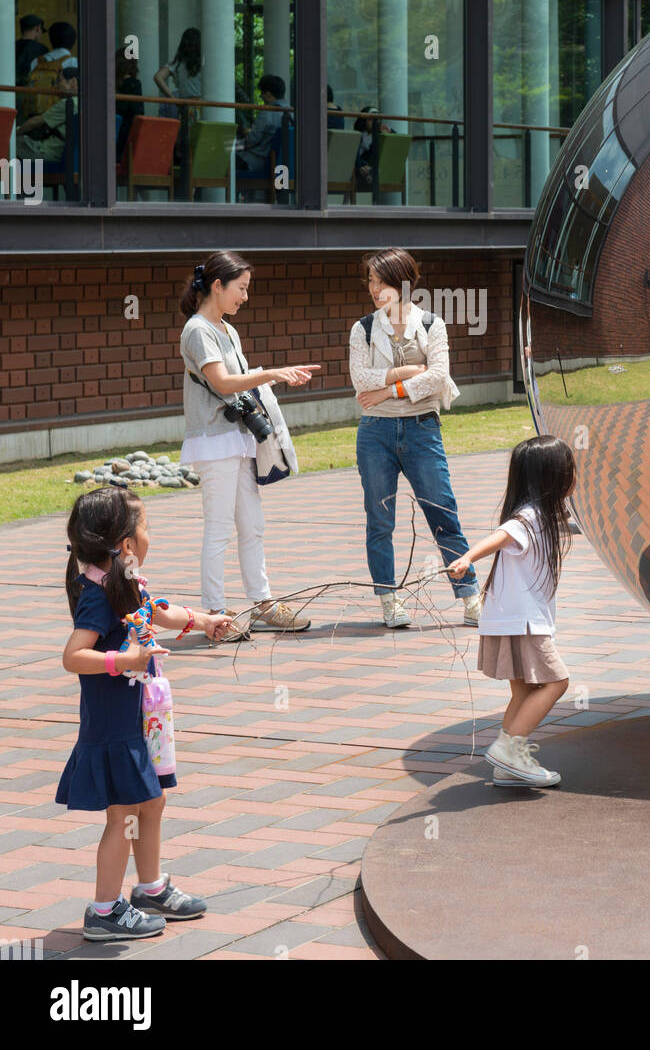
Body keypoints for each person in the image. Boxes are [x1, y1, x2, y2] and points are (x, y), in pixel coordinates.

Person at [56, 486, 232, 941]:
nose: (151, 535)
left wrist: (202, 620)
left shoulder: (122, 581)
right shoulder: (97, 594)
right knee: (123, 815)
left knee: (151, 801)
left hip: (139, 719)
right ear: (127, 543)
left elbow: (155, 611)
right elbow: (74, 656)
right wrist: (126, 660)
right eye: (147, 527)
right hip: (114, 726)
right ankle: (104, 911)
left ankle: (150, 889)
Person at [179, 250, 320, 637]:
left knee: (252, 526)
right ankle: (215, 615)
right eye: (240, 288)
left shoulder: (226, 328)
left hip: (238, 439)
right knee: (219, 528)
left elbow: (236, 384)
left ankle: (263, 604)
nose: (245, 296)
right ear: (217, 286)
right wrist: (273, 373)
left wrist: (271, 375)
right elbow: (223, 382)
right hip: (214, 442)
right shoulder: (198, 330)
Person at [349, 246, 482, 628]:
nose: (375, 289)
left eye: (382, 282)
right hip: (375, 434)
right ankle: (389, 600)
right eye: (371, 281)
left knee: (443, 513)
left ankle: (470, 597)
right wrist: (407, 372)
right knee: (380, 520)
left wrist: (389, 391)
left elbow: (438, 376)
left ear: (403, 283)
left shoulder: (430, 324)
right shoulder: (363, 329)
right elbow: (360, 380)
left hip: (422, 430)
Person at [448, 436, 574, 788]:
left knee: (523, 693)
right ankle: (509, 749)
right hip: (523, 622)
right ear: (554, 476)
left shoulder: (542, 514)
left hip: (510, 620)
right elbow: (503, 535)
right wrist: (468, 558)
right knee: (557, 682)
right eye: (570, 469)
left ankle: (508, 766)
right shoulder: (529, 516)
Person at [15, 64, 77, 162]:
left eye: (59, 81)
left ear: (73, 82)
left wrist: (14, 133)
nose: (56, 86)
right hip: (61, 152)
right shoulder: (83, 103)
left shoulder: (68, 103)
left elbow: (36, 121)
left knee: (11, 144)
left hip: (47, 150)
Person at [236, 74, 294, 176]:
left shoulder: (266, 113)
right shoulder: (292, 113)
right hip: (282, 165)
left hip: (256, 162)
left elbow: (250, 143)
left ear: (268, 94)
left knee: (223, 158)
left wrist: (231, 146)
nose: (262, 97)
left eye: (261, 94)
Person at [27, 21, 78, 117]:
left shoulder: (36, 61)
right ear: (73, 41)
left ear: (51, 39)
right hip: (59, 114)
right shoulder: (74, 62)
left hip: (35, 112)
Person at [154, 28, 202, 119]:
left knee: (185, 128)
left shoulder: (177, 63)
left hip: (184, 105)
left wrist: (174, 100)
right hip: (203, 105)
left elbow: (158, 77)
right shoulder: (203, 63)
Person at [115, 49, 143, 160]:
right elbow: (138, 112)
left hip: (112, 132)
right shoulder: (134, 84)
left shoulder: (111, 83)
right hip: (127, 135)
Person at [353, 106, 390, 188]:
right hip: (356, 167)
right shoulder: (357, 135)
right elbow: (353, 155)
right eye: (371, 119)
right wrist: (360, 167)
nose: (375, 121)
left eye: (378, 119)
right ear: (364, 120)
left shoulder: (378, 135)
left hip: (370, 167)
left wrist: (389, 131)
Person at [15, 13, 46, 81]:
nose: (41, 34)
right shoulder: (42, 49)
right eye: (42, 31)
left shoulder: (11, 47)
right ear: (38, 28)